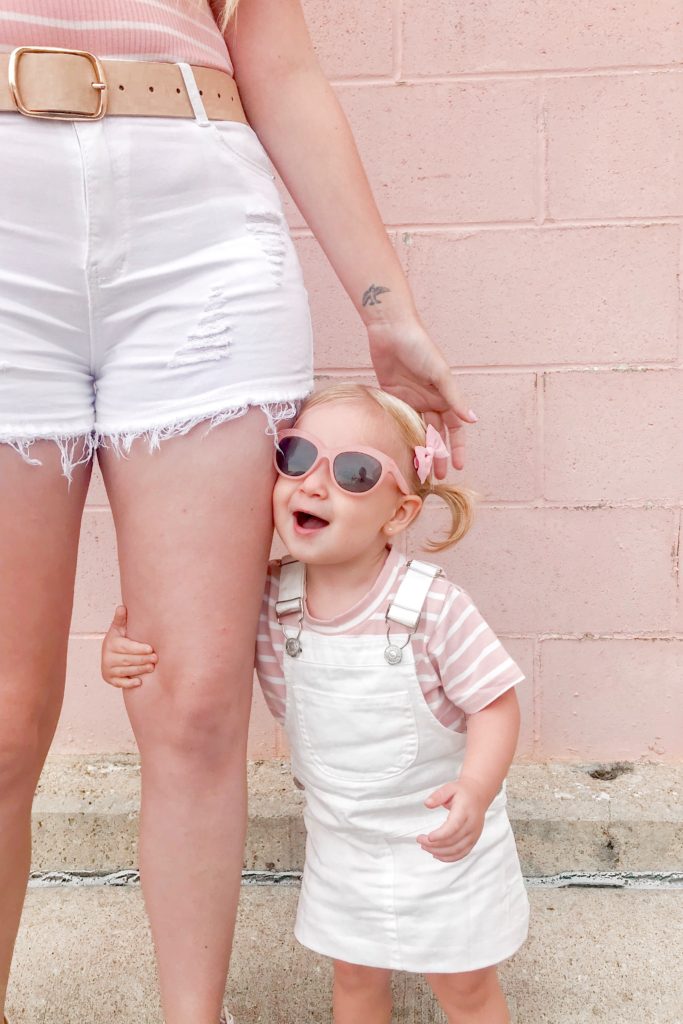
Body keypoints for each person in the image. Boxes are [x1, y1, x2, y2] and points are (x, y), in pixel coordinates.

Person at [0, 3, 479, 1022]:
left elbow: (281, 65)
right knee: (1, 722)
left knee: (195, 700)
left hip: (197, 235)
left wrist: (387, 315)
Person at [102, 382, 529, 1024]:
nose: (313, 484)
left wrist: (475, 788)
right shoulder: (270, 597)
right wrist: (120, 650)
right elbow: (190, 641)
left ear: (399, 514)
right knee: (355, 982)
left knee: (463, 988)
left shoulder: (431, 607)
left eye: (355, 473)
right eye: (296, 457)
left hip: (441, 841)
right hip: (343, 841)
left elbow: (495, 703)